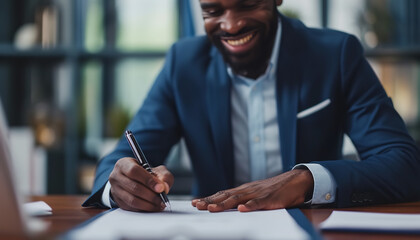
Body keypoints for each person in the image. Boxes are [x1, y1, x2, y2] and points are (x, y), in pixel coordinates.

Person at [83, 0, 420, 212]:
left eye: (246, 4)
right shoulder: (182, 64)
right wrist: (122, 185)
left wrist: (304, 181)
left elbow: (404, 164)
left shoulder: (336, 55)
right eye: (213, 11)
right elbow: (114, 164)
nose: (231, 26)